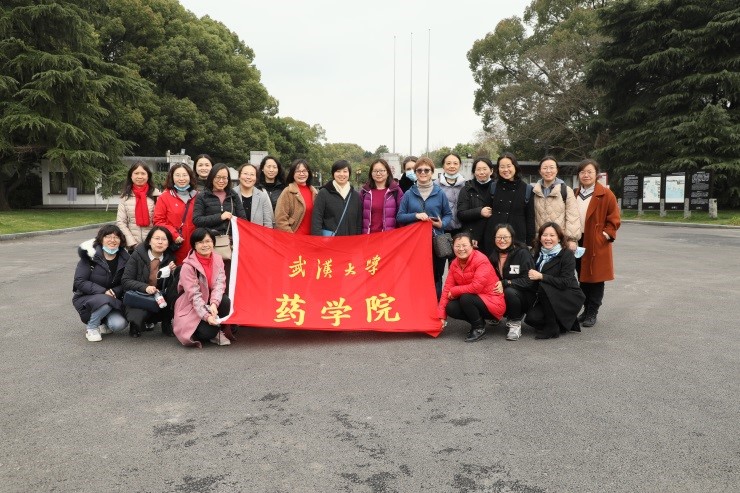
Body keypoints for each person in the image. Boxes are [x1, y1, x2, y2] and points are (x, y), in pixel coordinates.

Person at [397, 157, 453, 300]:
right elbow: (400, 216)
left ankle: (436, 307)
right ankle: (416, 307)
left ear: (432, 172)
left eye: (426, 170)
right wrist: (415, 216)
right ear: (415, 172)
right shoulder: (409, 194)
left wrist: (441, 224)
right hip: (414, 243)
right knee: (415, 276)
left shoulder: (439, 193)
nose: (423, 173)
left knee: (436, 276)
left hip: (435, 240)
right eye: (419, 170)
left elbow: (448, 214)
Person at [574, 158, 621, 327]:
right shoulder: (574, 193)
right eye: (582, 172)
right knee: (582, 276)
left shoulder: (606, 194)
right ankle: (586, 309)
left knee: (596, 278)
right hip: (578, 241)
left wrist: (604, 236)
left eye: (589, 172)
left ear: (596, 174)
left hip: (596, 241)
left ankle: (593, 311)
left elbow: (614, 219)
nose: (586, 175)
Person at [438, 233, 505, 342]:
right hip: (475, 300)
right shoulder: (454, 264)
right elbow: (447, 289)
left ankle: (478, 329)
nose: (461, 249)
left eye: (464, 245)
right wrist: (441, 317)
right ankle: (479, 322)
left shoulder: (481, 260)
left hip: (493, 303)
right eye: (457, 246)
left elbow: (476, 287)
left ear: (472, 246)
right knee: (451, 307)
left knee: (466, 298)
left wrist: (454, 291)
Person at [173, 228, 233, 347]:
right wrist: (207, 316)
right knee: (207, 333)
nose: (205, 245)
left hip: (209, 299)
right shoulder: (188, 266)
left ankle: (217, 330)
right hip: (191, 304)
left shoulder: (218, 259)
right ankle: (201, 329)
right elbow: (194, 296)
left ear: (213, 242)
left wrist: (214, 304)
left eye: (208, 241)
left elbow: (220, 285)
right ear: (194, 245)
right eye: (200, 242)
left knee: (225, 301)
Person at [525, 222, 585, 339]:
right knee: (532, 319)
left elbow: (565, 282)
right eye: (544, 235)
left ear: (559, 238)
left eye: (552, 235)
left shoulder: (567, 254)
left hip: (568, 294)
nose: (548, 238)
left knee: (544, 285)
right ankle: (559, 324)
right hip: (547, 296)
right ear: (540, 237)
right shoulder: (537, 253)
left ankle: (552, 328)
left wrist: (542, 276)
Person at [73, 225, 130, 342]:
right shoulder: (90, 257)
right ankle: (92, 327)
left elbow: (127, 281)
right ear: (101, 239)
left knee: (119, 324)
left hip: (112, 298)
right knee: (105, 301)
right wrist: (103, 291)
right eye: (108, 236)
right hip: (87, 297)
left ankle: (102, 323)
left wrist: (116, 291)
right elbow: (80, 281)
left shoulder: (126, 259)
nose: (112, 240)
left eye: (116, 237)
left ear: (121, 240)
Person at [122, 226, 178, 337]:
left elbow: (171, 286)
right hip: (139, 295)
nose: (160, 242)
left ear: (168, 243)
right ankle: (135, 324)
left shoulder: (170, 258)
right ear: (149, 241)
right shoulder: (137, 255)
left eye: (164, 239)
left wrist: (173, 273)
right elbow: (126, 280)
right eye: (157, 238)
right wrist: (145, 287)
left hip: (159, 297)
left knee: (174, 292)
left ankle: (166, 322)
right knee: (137, 317)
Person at [481, 153, 535, 255]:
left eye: (509, 166)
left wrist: (530, 243)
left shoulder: (527, 189)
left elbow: (530, 218)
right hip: (494, 237)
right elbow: (485, 215)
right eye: (502, 167)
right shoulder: (493, 187)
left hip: (517, 238)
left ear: (515, 167)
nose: (505, 170)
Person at [489, 223, 536, 341]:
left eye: (506, 237)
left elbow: (528, 280)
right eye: (499, 237)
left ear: (512, 237)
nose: (502, 240)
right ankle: (497, 314)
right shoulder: (494, 255)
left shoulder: (522, 253)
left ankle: (515, 324)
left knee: (510, 291)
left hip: (525, 295)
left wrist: (507, 282)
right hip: (504, 292)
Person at [532, 156, 581, 251]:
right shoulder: (534, 191)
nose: (548, 171)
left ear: (557, 170)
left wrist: (571, 239)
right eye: (545, 168)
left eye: (551, 167)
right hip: (540, 241)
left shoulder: (566, 190)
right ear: (540, 171)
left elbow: (573, 216)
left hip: (560, 241)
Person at [153, 163, 198, 265]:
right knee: (176, 271)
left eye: (184, 175)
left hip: (195, 244)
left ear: (190, 177)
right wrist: (174, 234)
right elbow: (158, 221)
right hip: (176, 244)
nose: (181, 178)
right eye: (177, 175)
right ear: (172, 177)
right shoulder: (164, 197)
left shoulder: (197, 196)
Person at [311, 159, 362, 236]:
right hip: (330, 241)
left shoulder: (355, 195)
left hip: (351, 240)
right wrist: (319, 240)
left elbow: (358, 222)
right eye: (338, 171)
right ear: (333, 173)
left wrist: (357, 239)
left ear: (349, 173)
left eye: (345, 171)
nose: (342, 174)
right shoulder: (324, 193)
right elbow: (316, 220)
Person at [116, 162, 156, 250]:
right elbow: (121, 222)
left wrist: (153, 242)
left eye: (143, 173)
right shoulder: (125, 197)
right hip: (132, 247)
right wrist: (133, 243)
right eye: (136, 173)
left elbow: (159, 221)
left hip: (153, 246)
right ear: (131, 176)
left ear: (148, 176)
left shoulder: (156, 195)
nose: (140, 177)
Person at [457, 157, 494, 249]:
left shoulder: (498, 188)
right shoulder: (467, 189)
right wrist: (479, 212)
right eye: (478, 169)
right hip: (473, 238)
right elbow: (461, 214)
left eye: (485, 169)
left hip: (494, 236)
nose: (481, 172)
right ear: (474, 172)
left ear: (491, 171)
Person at [274, 159, 319, 234]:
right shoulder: (288, 192)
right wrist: (291, 237)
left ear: (308, 173)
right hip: (294, 237)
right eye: (298, 171)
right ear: (292, 174)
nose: (301, 174)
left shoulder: (314, 192)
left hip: (312, 238)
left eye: (304, 171)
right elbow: (280, 219)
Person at [360, 158, 404, 233]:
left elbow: (401, 216)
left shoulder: (396, 191)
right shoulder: (364, 192)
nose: (378, 173)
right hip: (368, 236)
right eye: (375, 171)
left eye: (381, 171)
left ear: (388, 173)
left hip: (389, 236)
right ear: (371, 173)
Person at [436, 153, 466, 239]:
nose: (452, 166)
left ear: (460, 165)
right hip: (441, 229)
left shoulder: (466, 185)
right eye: (448, 163)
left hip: (462, 229)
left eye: (455, 163)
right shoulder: (435, 185)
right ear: (443, 165)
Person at [235, 163, 274, 228]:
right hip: (236, 233)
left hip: (257, 234)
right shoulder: (231, 194)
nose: (248, 177)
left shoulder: (262, 196)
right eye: (245, 173)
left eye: (252, 174)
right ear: (239, 176)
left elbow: (268, 223)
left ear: (256, 178)